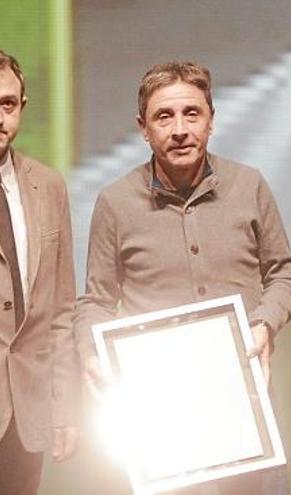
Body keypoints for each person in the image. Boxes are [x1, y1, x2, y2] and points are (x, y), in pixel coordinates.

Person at [74, 61, 291, 494]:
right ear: (143, 128)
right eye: (164, 116)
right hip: (163, 415)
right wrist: (91, 353)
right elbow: (96, 302)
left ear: (211, 120)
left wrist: (263, 324)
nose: (179, 129)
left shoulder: (248, 185)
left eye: (191, 113)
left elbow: (283, 273)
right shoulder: (115, 203)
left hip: (245, 404)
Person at [0, 50, 79, 495]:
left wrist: (64, 406)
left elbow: (61, 311)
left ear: (22, 107)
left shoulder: (48, 186)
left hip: (25, 417)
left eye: (7, 104)